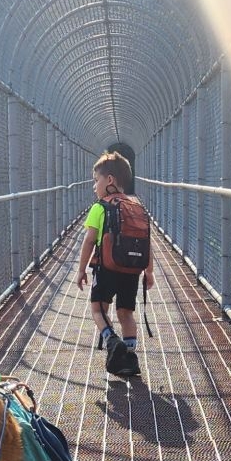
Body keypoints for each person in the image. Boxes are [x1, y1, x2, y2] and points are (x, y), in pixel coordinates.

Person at [74, 151, 153, 353]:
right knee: (126, 315)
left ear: (109, 180)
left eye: (96, 181)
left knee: (98, 309)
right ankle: (129, 356)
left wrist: (81, 269)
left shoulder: (100, 207)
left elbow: (89, 240)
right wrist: (149, 272)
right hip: (131, 271)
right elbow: (146, 242)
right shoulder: (137, 207)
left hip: (106, 268)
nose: (94, 186)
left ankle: (111, 341)